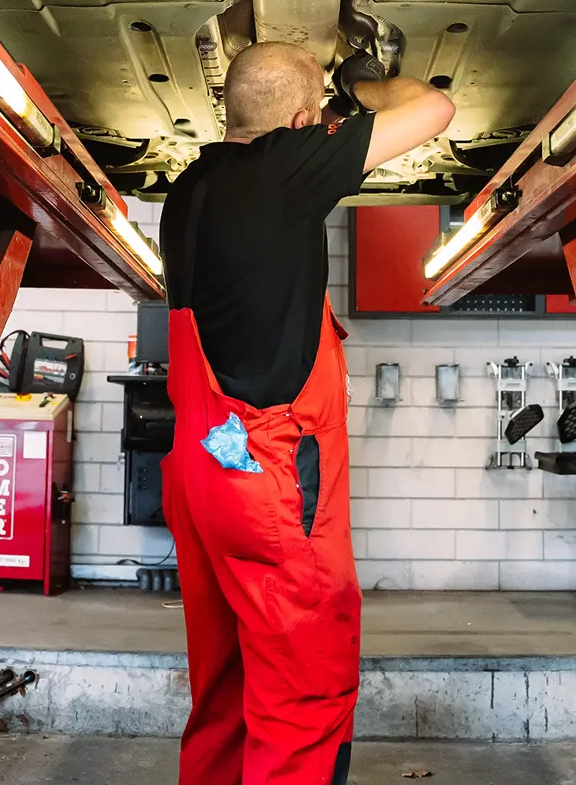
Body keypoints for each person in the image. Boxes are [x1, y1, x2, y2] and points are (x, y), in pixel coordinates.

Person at [158, 41, 455, 785]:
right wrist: (361, 82)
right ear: (300, 122)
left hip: (204, 470)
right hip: (272, 481)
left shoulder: (191, 188)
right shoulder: (280, 170)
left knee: (225, 690)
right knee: (302, 696)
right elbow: (434, 108)